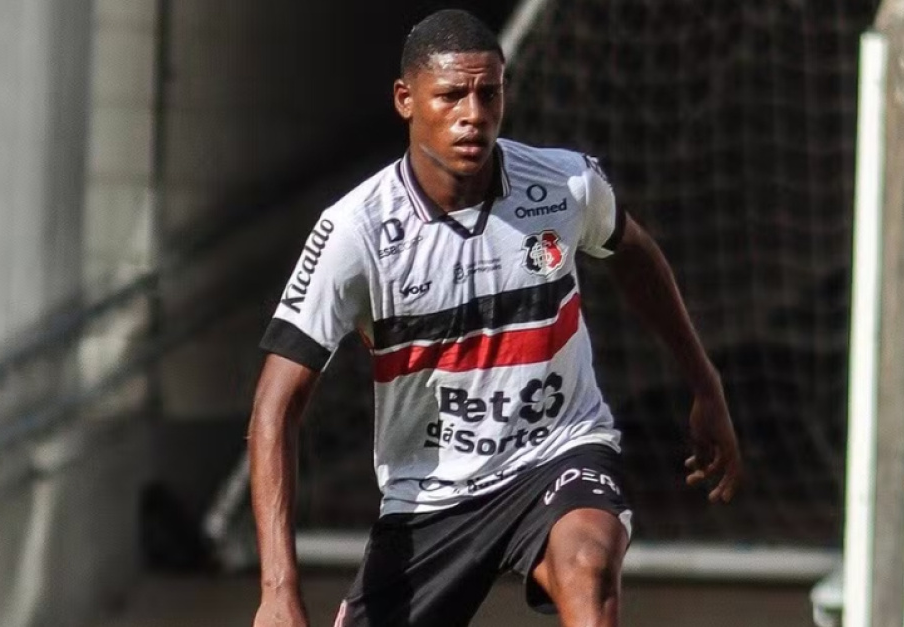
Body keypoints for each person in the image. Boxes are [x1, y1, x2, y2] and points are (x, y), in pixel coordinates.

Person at [249, 9, 742, 627]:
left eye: (489, 93)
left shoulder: (565, 185)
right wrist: (278, 587)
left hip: (558, 451)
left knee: (586, 566)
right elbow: (275, 407)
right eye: (451, 95)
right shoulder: (356, 232)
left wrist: (705, 382)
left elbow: (633, 252)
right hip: (430, 496)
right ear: (406, 99)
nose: (473, 114)